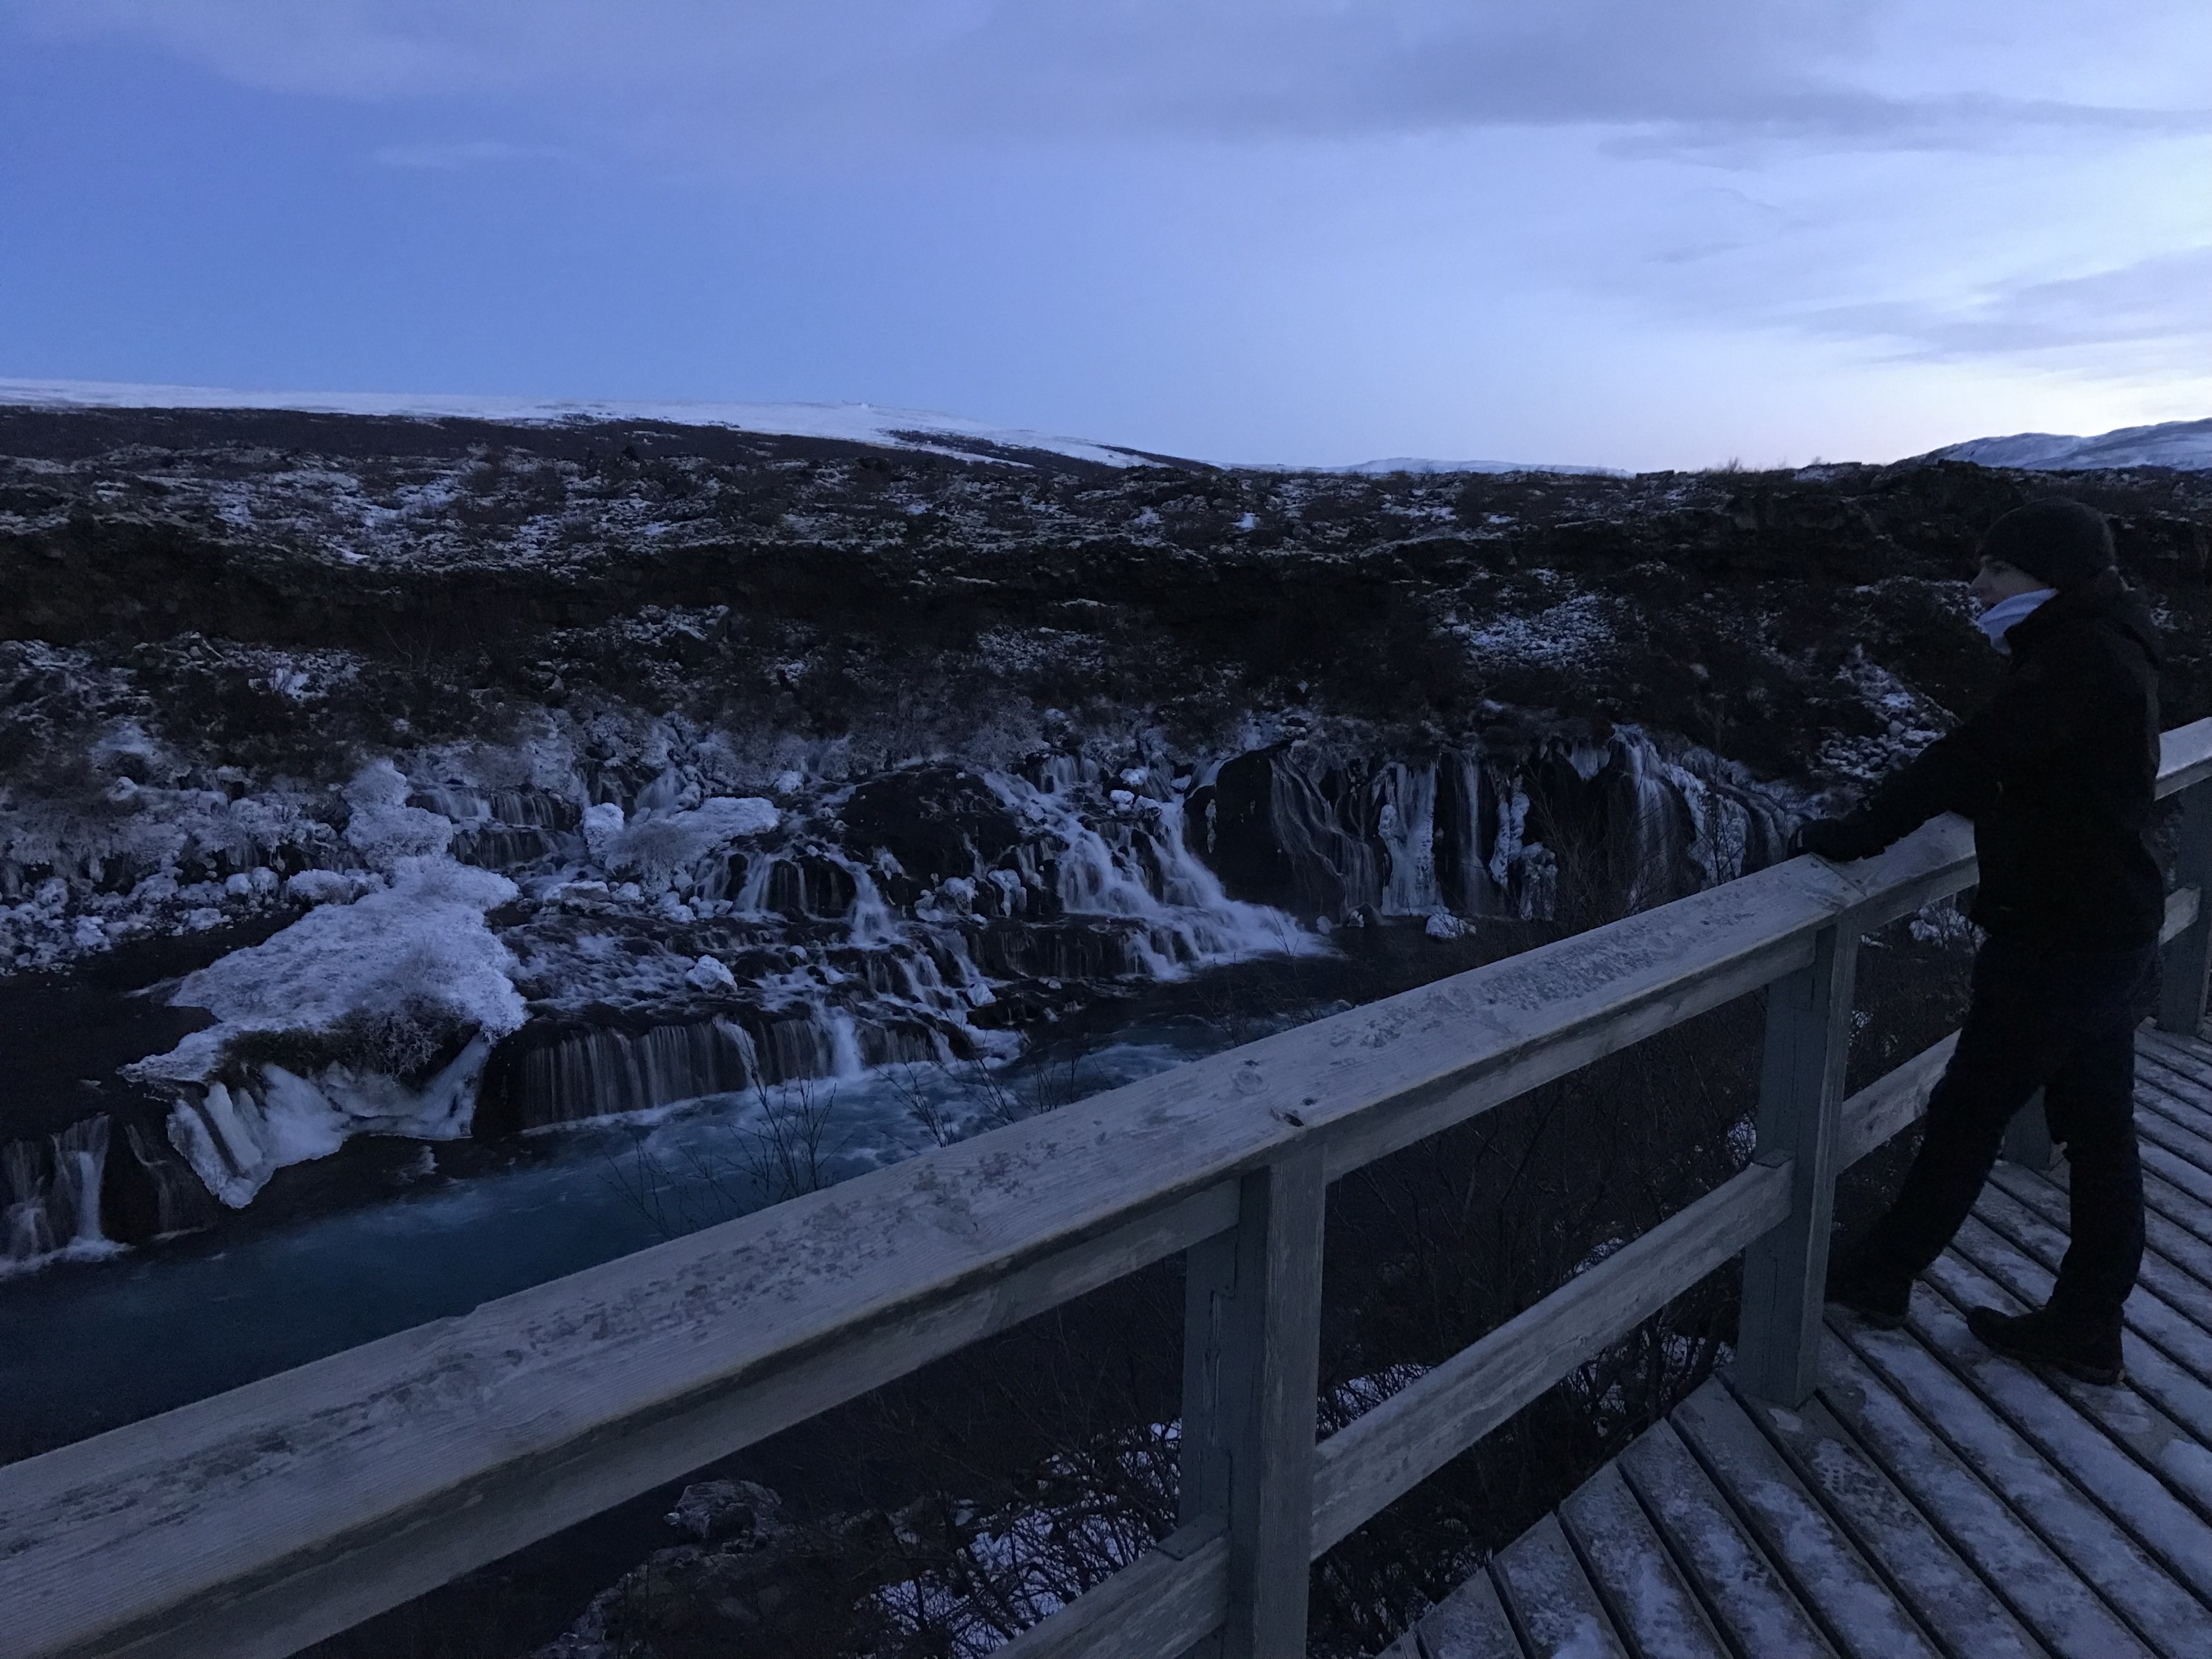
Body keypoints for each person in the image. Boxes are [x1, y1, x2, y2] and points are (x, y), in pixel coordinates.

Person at [1797, 497, 2164, 1386]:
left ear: (2048, 574)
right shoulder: (2107, 641)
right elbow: (2038, 765)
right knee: (2099, 1130)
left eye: (1995, 569)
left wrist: (1855, 834)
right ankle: (2087, 1324)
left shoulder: (2074, 656)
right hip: (2107, 927)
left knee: (1969, 1115)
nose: (1978, 585)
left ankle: (1882, 1277)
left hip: (2061, 935)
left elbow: (1969, 756)